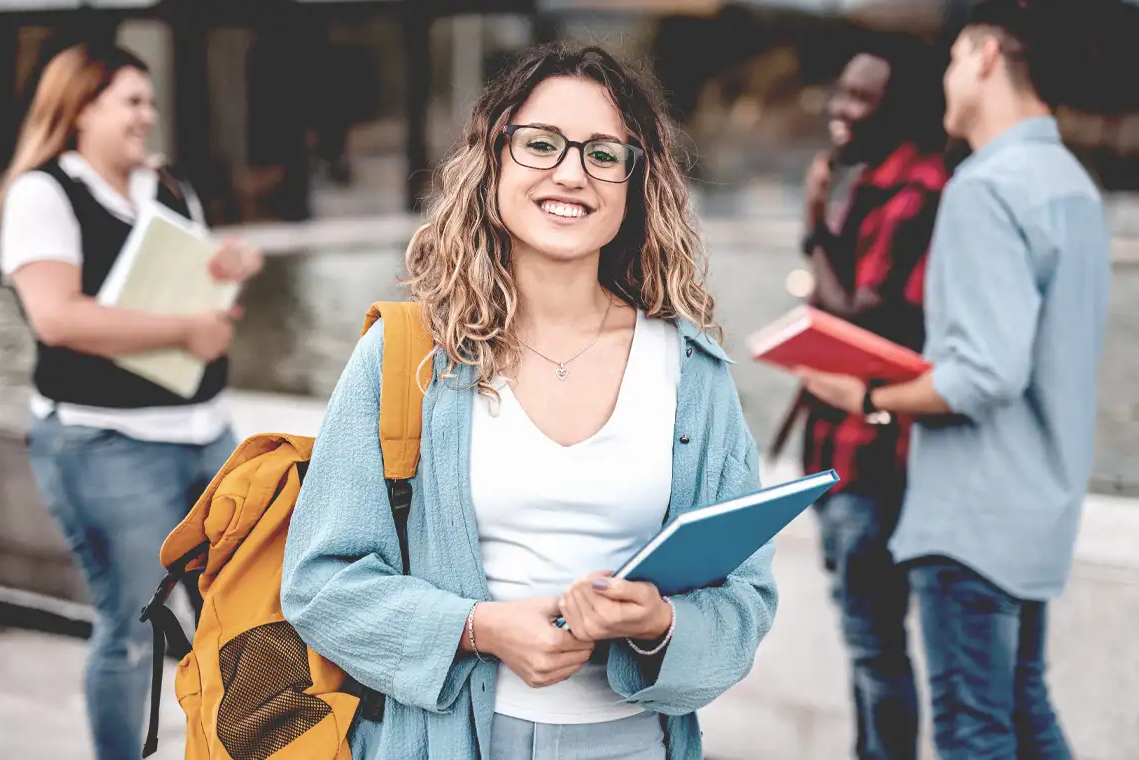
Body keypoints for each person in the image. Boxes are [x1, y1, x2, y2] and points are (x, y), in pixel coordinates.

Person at [280, 42, 776, 760]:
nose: (571, 173)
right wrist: (478, 628)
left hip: (634, 744)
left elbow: (746, 600)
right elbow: (320, 584)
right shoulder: (409, 356)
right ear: (494, 161)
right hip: (446, 743)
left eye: (604, 154)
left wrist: (660, 624)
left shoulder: (692, 373)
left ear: (638, 182)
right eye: (542, 144)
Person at [795, 2, 1109, 758]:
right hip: (1036, 511)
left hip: (968, 521)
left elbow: (982, 375)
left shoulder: (984, 187)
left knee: (974, 732)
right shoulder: (1070, 184)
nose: (944, 81)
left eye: (951, 62)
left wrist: (865, 397)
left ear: (984, 56)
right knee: (1023, 713)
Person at [0, 42, 262, 760]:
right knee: (134, 628)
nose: (149, 115)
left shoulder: (168, 189)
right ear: (81, 108)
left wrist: (224, 274)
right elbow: (57, 317)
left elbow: (192, 293)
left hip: (206, 433)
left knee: (238, 620)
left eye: (150, 101)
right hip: (106, 444)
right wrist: (184, 328)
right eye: (132, 101)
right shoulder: (44, 193)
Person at [775, 37, 948, 760]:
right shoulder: (870, 179)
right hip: (841, 447)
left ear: (898, 110)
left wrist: (816, 224)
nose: (839, 110)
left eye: (860, 98)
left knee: (874, 647)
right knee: (864, 641)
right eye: (840, 91)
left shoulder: (914, 194)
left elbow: (863, 318)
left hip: (876, 454)